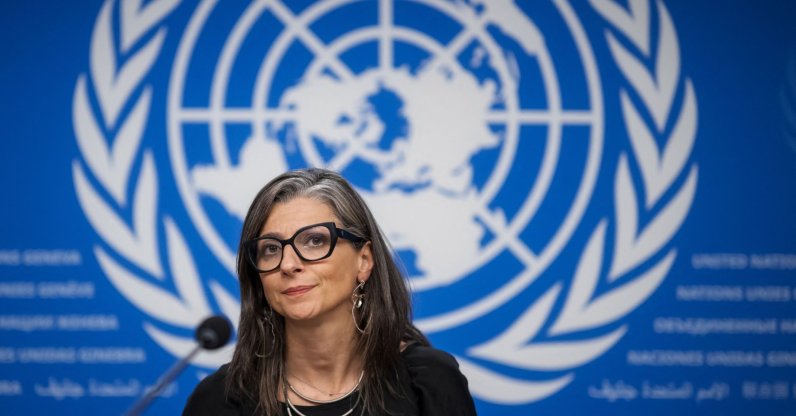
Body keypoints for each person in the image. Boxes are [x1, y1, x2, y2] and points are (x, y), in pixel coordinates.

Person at [183, 168, 477, 415]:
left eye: (314, 241)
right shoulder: (219, 400)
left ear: (364, 261)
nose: (288, 264)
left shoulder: (428, 383)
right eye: (271, 249)